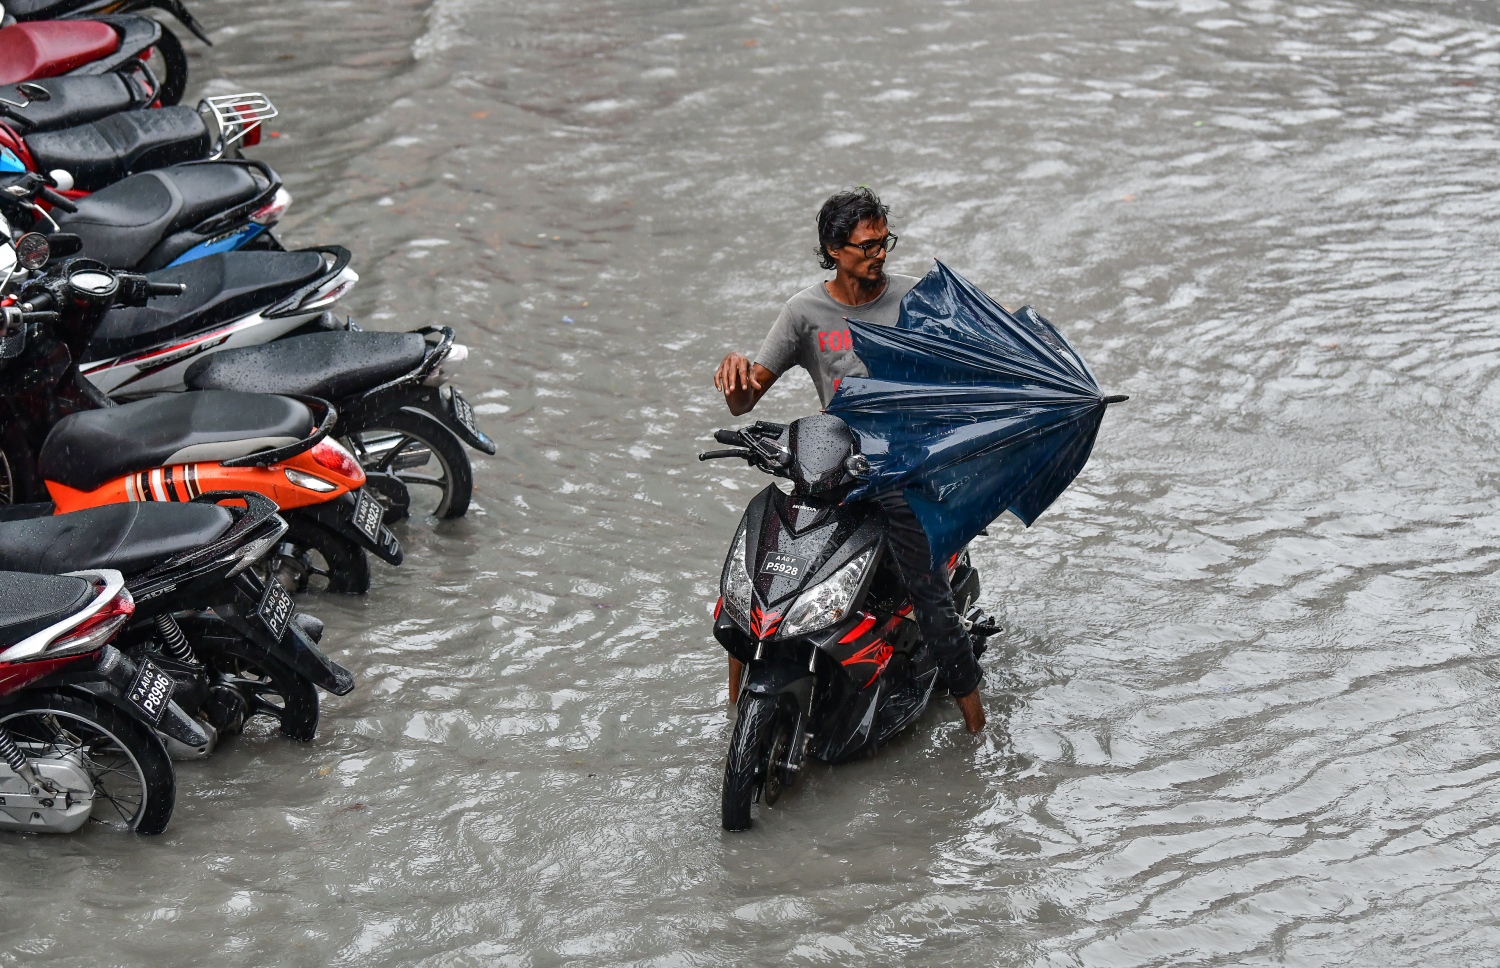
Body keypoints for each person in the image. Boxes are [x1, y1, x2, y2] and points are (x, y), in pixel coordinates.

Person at [712, 187, 986, 733]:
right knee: (765, 569)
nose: (880, 254)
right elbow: (746, 400)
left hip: (904, 468)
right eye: (867, 246)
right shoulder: (803, 313)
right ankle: (733, 708)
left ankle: (976, 723)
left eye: (885, 242)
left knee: (928, 591)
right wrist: (734, 375)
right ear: (833, 250)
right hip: (833, 465)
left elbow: (974, 361)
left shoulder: (919, 300)